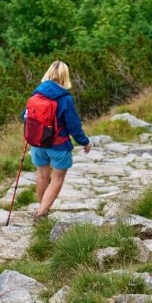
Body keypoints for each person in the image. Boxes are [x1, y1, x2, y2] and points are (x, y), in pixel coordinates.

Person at [25, 61, 91, 221]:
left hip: (37, 143)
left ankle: (43, 209)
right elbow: (74, 125)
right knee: (57, 178)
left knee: (42, 176)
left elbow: (25, 116)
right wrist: (85, 142)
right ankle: (41, 213)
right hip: (58, 146)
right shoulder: (65, 98)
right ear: (65, 76)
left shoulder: (36, 94)